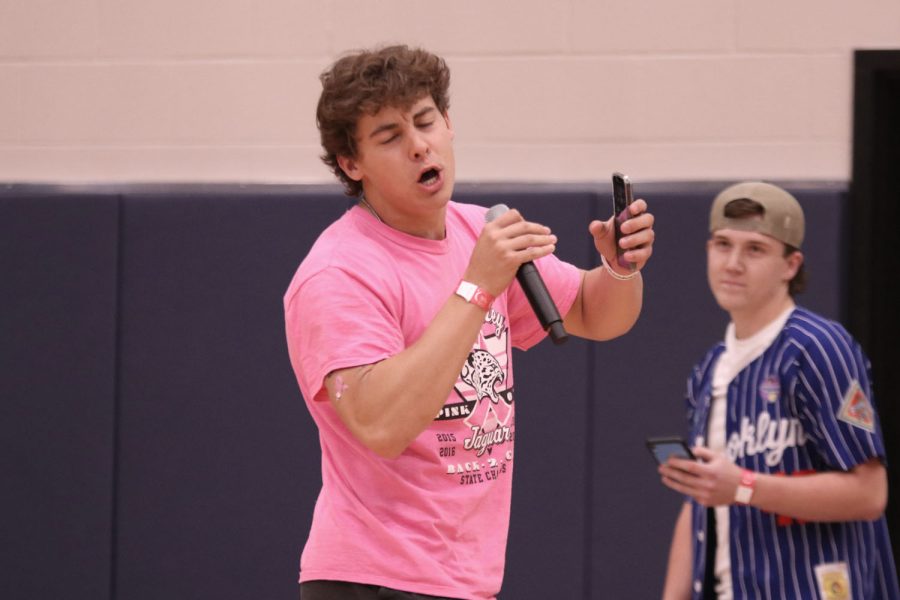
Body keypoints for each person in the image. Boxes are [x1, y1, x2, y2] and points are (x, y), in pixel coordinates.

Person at [283, 44, 656, 600]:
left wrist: (619, 269)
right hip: (374, 578)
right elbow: (380, 425)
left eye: (425, 121)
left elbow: (593, 315)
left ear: (449, 124)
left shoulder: (477, 231)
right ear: (351, 164)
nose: (418, 145)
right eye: (389, 137)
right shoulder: (338, 273)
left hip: (463, 578)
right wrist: (477, 287)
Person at [658, 181, 900, 600]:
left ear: (791, 265)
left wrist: (743, 486)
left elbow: (869, 492)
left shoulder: (818, 348)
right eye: (722, 244)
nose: (732, 263)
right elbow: (699, 504)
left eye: (755, 249)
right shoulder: (709, 369)